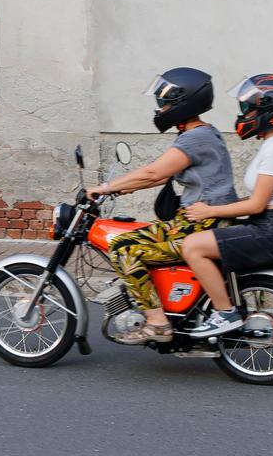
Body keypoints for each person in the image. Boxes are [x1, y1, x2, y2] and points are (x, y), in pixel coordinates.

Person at [86, 67, 239, 343]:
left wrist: (104, 188)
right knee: (136, 236)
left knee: (123, 249)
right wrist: (123, 189)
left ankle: (157, 323)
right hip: (196, 220)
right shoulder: (204, 133)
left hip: (199, 223)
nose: (162, 108)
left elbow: (153, 173)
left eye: (165, 101)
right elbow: (160, 175)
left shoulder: (195, 138)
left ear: (184, 102)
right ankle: (165, 305)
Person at [178, 74, 273, 338]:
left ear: (269, 109)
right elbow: (260, 201)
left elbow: (258, 204)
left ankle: (225, 313)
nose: (245, 112)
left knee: (193, 246)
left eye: (250, 106)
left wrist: (209, 211)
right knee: (207, 239)